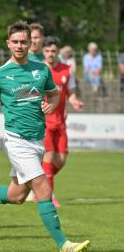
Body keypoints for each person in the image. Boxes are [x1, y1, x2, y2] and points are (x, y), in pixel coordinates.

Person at [0, 20, 90, 252]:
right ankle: (63, 244)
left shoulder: (41, 70)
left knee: (17, 196)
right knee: (42, 187)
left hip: (37, 140)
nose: (19, 45)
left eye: (24, 41)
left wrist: (50, 105)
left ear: (31, 43)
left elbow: (54, 94)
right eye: (15, 42)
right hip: (16, 140)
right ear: (8, 44)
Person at [42, 37, 83, 207]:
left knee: (61, 160)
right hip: (43, 122)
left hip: (60, 122)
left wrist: (74, 101)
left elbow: (70, 92)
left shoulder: (67, 70)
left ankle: (38, 182)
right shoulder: (38, 70)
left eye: (53, 51)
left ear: (58, 52)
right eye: (48, 51)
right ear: (43, 52)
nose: (51, 55)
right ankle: (48, 196)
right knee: (49, 155)